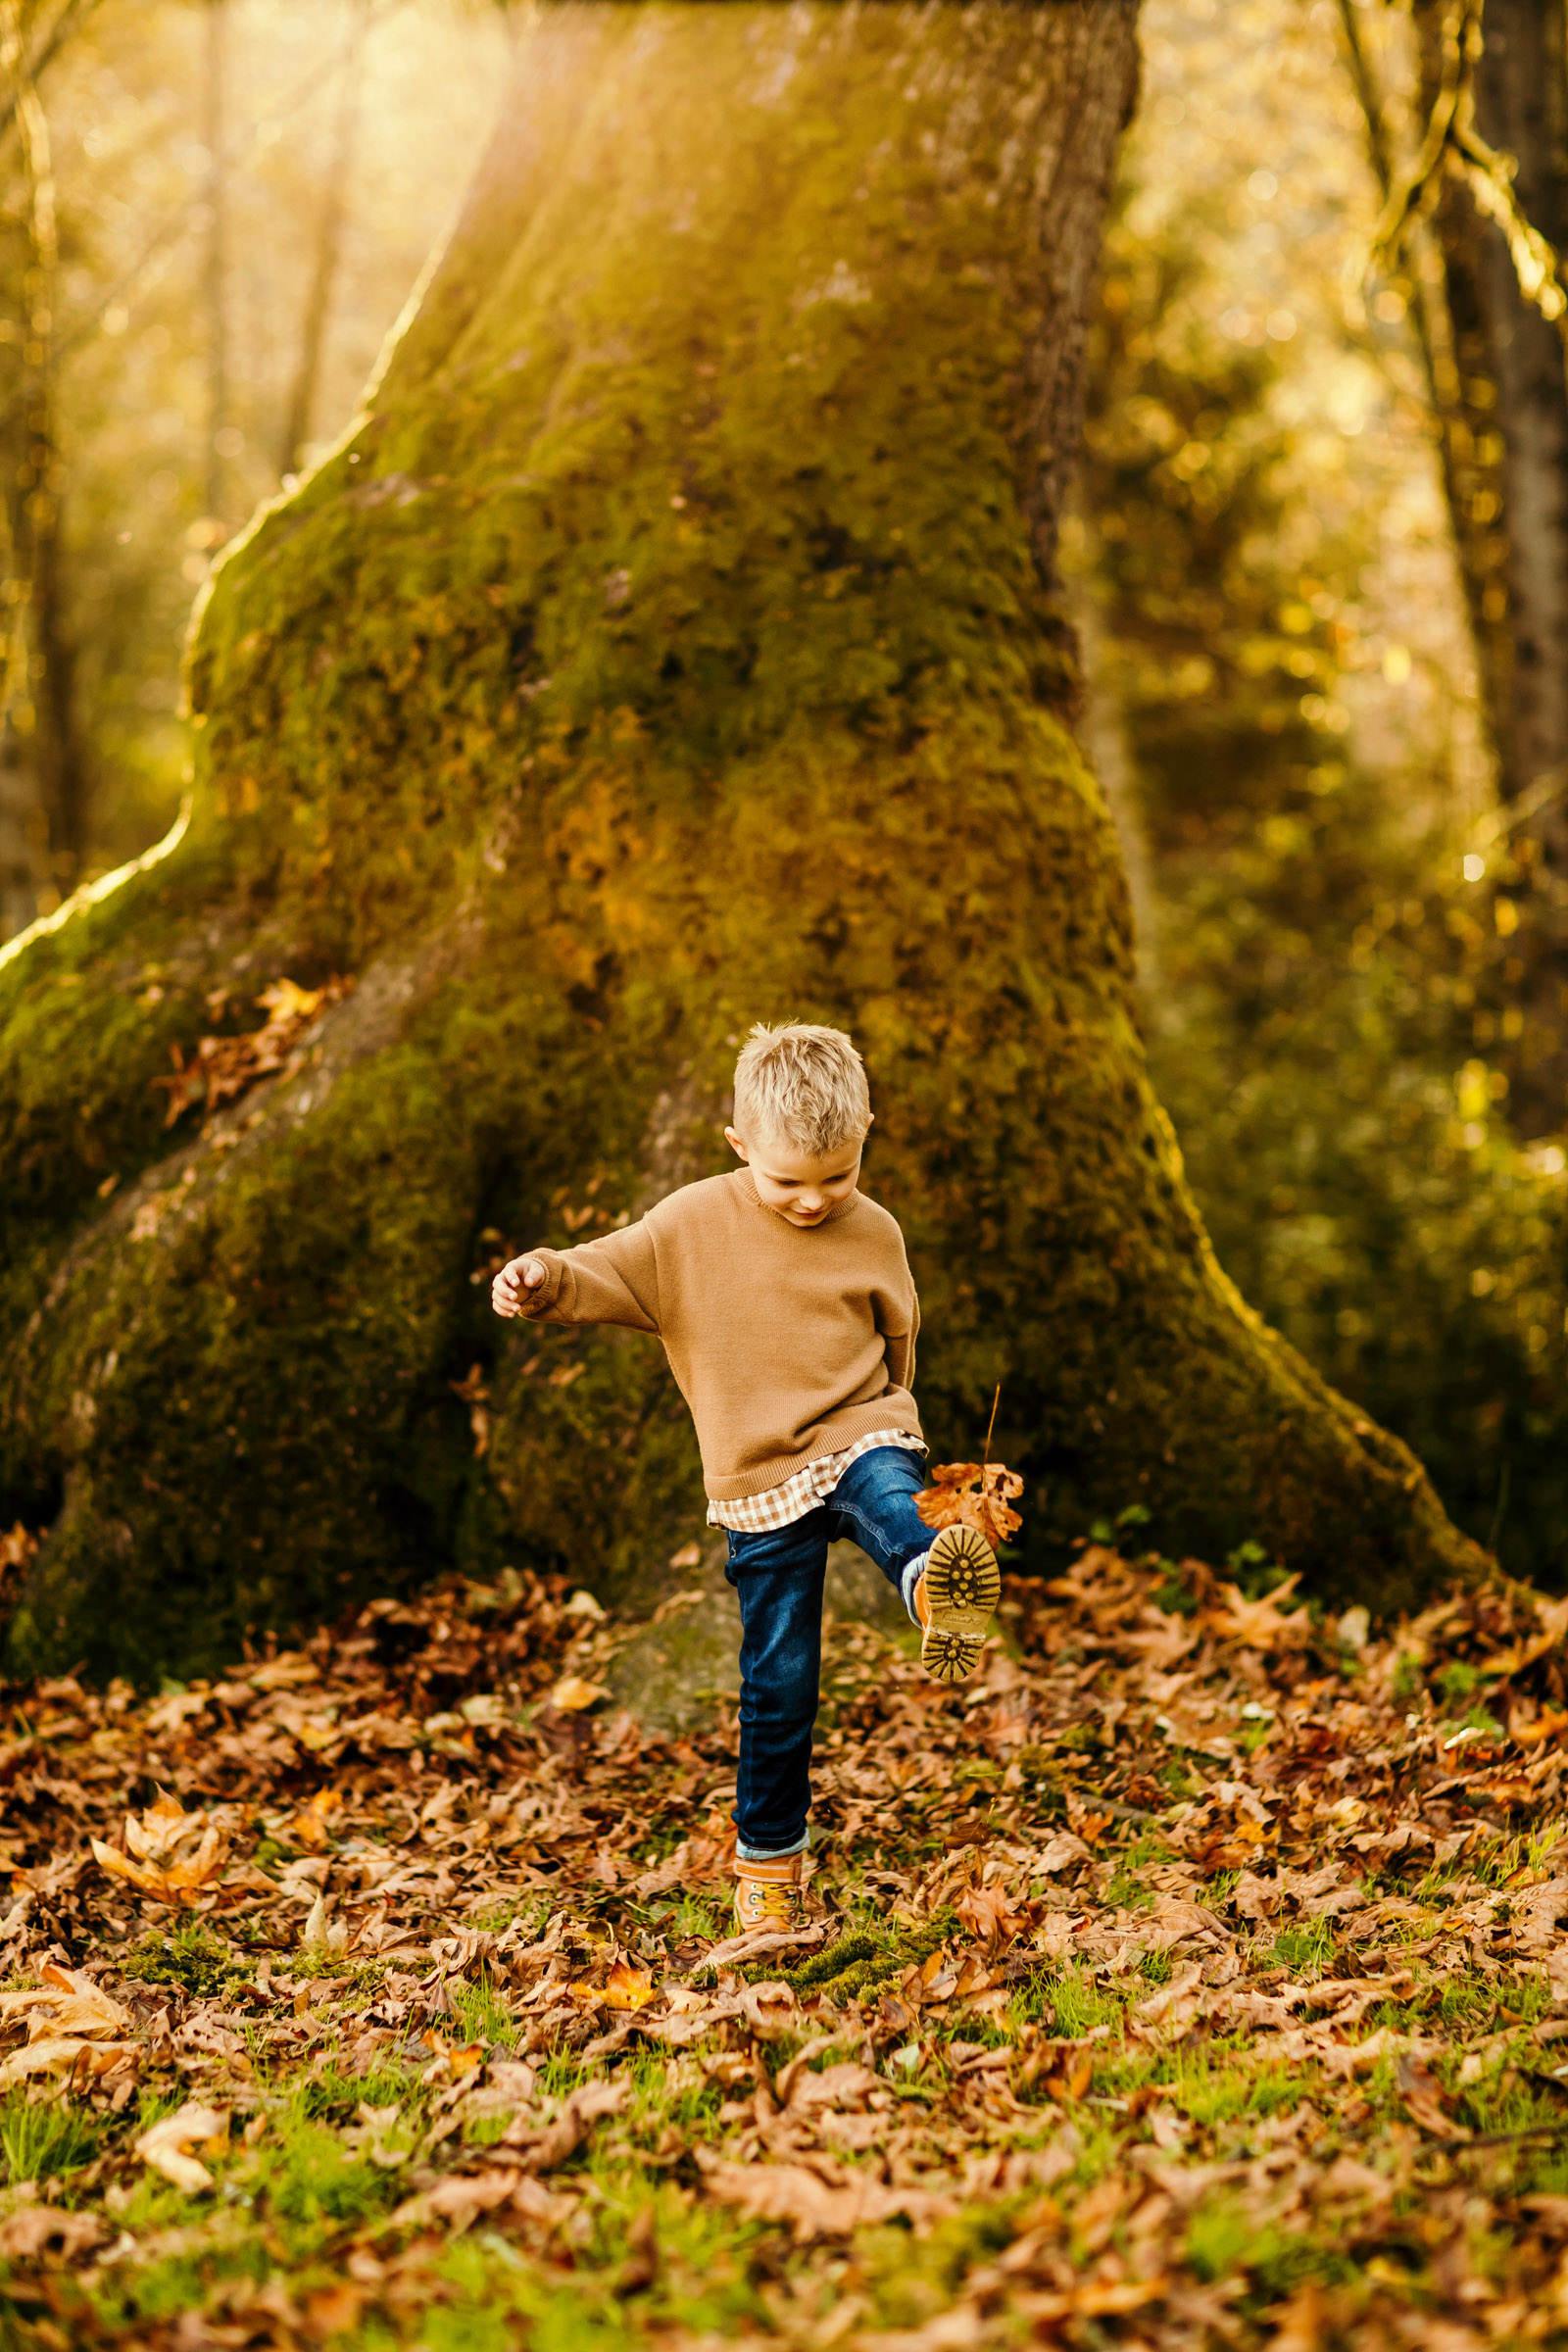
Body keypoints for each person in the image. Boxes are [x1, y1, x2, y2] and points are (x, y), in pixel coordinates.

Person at [491, 1021, 999, 1932]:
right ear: (737, 1147)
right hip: (756, 1472)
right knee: (779, 1674)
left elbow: (900, 1344)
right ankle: (769, 1867)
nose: (813, 1201)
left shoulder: (875, 1229)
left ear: (867, 1135)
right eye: (786, 1181)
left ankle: (934, 1580)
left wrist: (890, 1414)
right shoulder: (689, 1224)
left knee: (891, 1490)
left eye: (836, 1177)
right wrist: (541, 1278)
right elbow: (602, 1270)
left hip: (856, 1425)